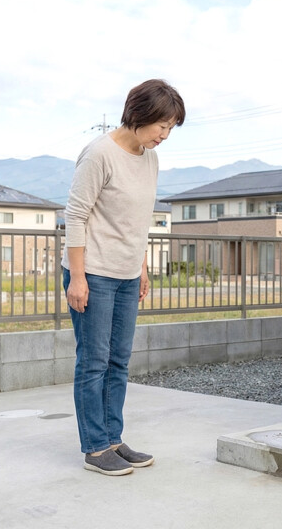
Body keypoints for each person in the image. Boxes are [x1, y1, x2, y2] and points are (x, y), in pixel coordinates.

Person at [62, 79, 185, 476]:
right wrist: (76, 278)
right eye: (161, 125)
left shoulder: (149, 158)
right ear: (139, 114)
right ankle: (96, 448)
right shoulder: (99, 154)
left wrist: (142, 266)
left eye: (170, 127)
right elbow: (76, 216)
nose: (165, 134)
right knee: (93, 361)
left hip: (127, 273)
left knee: (119, 362)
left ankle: (114, 439)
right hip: (93, 273)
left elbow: (136, 220)